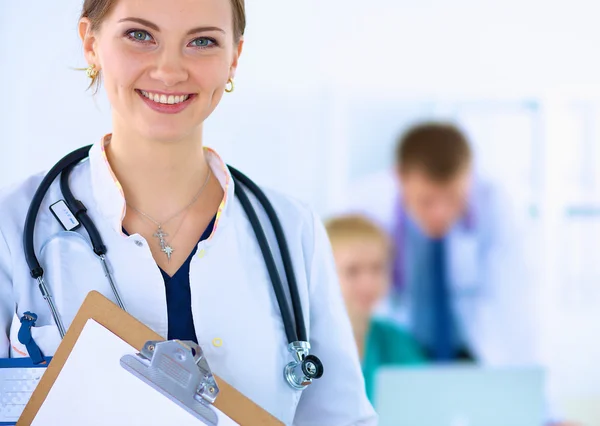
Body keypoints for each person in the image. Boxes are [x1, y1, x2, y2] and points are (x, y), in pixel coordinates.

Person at [0, 0, 377, 424]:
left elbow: (341, 418)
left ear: (233, 58)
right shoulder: (12, 228)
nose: (170, 70)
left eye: (202, 41)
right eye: (140, 35)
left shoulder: (292, 231)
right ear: (91, 43)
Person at [341, 121, 538, 366]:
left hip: (469, 350)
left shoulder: (494, 204)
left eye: (454, 199)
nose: (440, 214)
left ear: (470, 178)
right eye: (426, 201)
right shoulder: (364, 204)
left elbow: (514, 300)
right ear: (400, 177)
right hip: (397, 347)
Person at [325, 214, 426, 403]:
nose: (368, 284)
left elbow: (428, 403)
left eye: (377, 268)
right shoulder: (306, 347)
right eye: (352, 271)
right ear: (323, 275)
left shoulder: (396, 342)